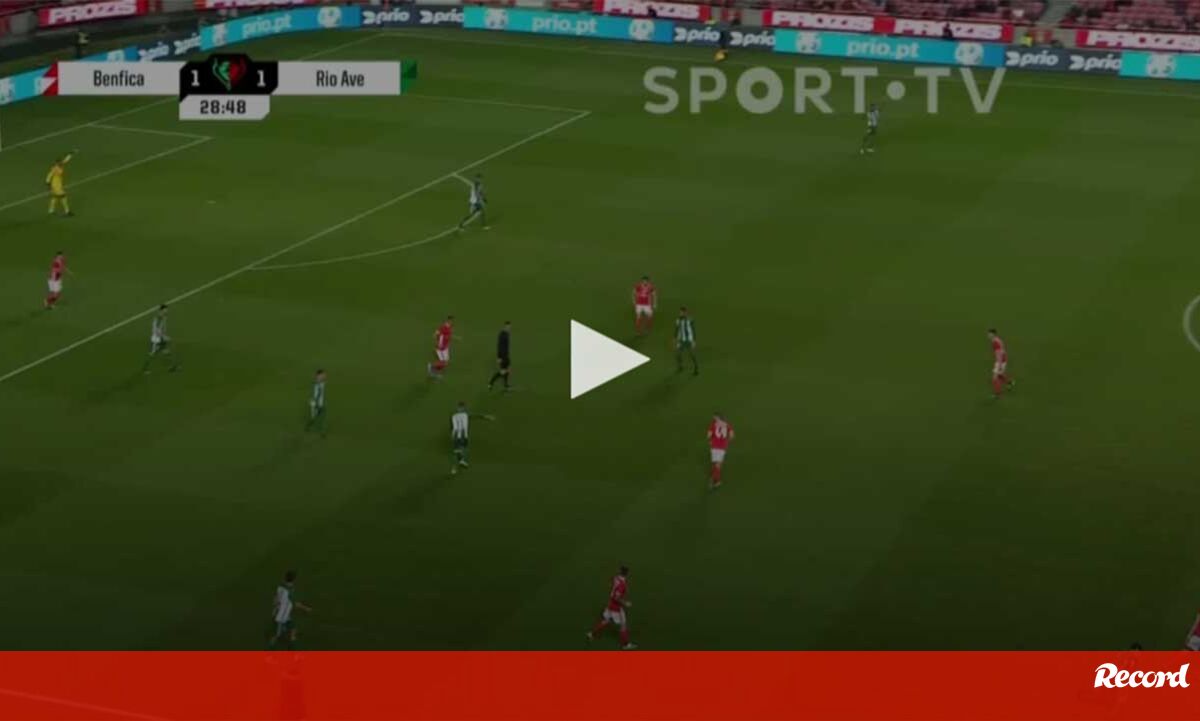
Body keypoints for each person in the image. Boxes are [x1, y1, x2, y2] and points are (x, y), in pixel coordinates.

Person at [587, 565, 636, 650]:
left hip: (610, 605)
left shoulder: (616, 578)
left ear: (620, 571)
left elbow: (613, 585)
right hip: (617, 608)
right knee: (623, 625)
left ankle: (591, 634)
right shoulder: (622, 585)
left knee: (606, 621)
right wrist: (625, 603)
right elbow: (616, 597)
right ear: (627, 574)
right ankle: (626, 644)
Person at [269, 570, 312, 650]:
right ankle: (269, 650)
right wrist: (306, 608)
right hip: (281, 617)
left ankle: (292, 648)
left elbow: (275, 599)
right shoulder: (290, 591)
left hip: (282, 614)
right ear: (294, 580)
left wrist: (275, 608)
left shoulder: (280, 587)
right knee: (277, 635)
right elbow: (296, 604)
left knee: (293, 629)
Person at [142, 304, 178, 373]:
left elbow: (161, 328)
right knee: (153, 354)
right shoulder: (158, 318)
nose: (167, 311)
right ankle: (145, 369)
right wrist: (164, 336)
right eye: (165, 310)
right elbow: (156, 330)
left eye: (167, 310)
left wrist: (164, 335)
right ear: (161, 310)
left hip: (161, 339)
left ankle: (171, 367)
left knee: (166, 352)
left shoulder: (163, 317)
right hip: (156, 339)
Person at [707, 413, 735, 489]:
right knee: (718, 463)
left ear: (719, 418)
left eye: (715, 418)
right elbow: (732, 435)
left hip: (714, 446)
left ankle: (715, 479)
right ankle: (715, 478)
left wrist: (710, 441)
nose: (714, 419)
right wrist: (727, 442)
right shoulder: (727, 425)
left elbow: (709, 435)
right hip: (722, 447)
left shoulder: (713, 425)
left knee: (717, 463)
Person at [45, 152, 75, 217]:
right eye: (59, 162)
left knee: (55, 197)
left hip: (58, 184)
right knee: (63, 197)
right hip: (56, 185)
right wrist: (48, 184)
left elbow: (66, 160)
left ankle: (51, 210)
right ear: (57, 163)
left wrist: (71, 153)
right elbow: (49, 176)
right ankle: (67, 211)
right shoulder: (54, 168)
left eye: (60, 162)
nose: (61, 163)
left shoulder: (61, 165)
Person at [988, 329, 1015, 398]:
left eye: (990, 334)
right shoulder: (997, 340)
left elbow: (999, 353)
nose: (988, 335)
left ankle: (997, 394)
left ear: (994, 334)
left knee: (994, 378)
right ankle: (1010, 382)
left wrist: (999, 364)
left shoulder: (995, 342)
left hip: (1000, 361)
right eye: (988, 334)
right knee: (1000, 375)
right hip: (1003, 359)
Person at [487, 321, 512, 392]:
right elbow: (499, 346)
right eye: (508, 327)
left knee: (507, 371)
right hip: (503, 356)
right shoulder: (502, 334)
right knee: (502, 372)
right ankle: (490, 383)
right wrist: (499, 357)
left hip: (506, 355)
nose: (509, 328)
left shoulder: (507, 334)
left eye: (510, 327)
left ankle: (506, 385)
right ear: (505, 326)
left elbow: (506, 346)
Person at [674, 306, 698, 375]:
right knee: (678, 354)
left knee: (691, 354)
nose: (681, 313)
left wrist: (694, 340)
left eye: (682, 312)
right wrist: (674, 338)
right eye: (680, 312)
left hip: (688, 340)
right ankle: (680, 366)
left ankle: (696, 367)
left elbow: (693, 330)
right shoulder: (678, 320)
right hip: (681, 340)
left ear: (685, 313)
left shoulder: (690, 320)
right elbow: (676, 329)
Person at [306, 369, 327, 433]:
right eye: (322, 375)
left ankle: (309, 427)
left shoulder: (321, 382)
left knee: (318, 416)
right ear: (318, 376)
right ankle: (322, 432)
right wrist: (316, 403)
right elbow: (317, 394)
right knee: (320, 416)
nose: (324, 376)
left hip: (318, 402)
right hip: (316, 403)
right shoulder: (317, 384)